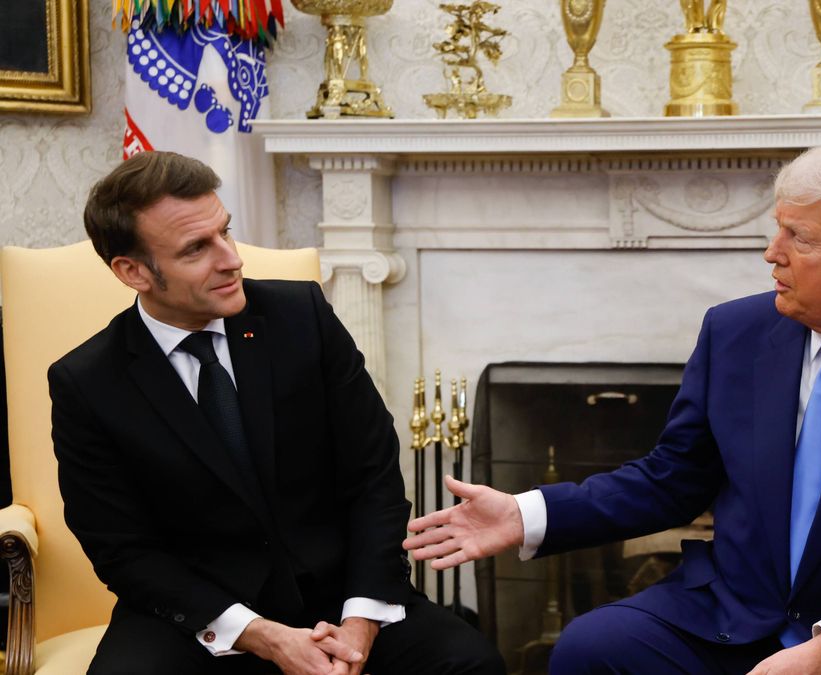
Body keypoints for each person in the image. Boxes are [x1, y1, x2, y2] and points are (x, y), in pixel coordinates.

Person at [405, 144, 821, 674]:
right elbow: (673, 479)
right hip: (740, 605)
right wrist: (527, 513)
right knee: (592, 649)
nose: (771, 253)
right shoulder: (736, 334)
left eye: (799, 238)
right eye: (777, 227)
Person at [50, 151, 504, 675]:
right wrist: (262, 636)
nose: (231, 258)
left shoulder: (302, 317)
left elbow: (372, 475)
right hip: (199, 616)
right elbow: (122, 550)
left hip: (340, 596)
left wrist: (360, 623)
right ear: (133, 272)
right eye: (197, 248)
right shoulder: (87, 382)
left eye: (225, 231)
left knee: (469, 664)